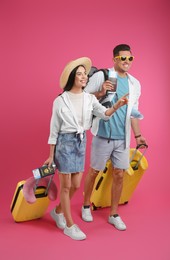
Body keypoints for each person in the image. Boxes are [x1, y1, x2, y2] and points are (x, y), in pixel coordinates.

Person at [44, 57, 128, 241]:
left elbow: (104, 114)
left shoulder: (90, 98)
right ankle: (70, 225)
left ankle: (58, 212)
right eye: (80, 74)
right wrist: (51, 155)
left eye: (85, 74)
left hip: (80, 142)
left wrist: (117, 106)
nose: (84, 77)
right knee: (66, 187)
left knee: (75, 185)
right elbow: (54, 129)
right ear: (72, 77)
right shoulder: (60, 101)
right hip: (65, 143)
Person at [81, 44, 147, 231]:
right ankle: (86, 205)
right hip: (103, 135)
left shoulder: (135, 84)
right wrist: (100, 92)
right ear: (115, 59)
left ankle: (114, 214)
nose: (126, 62)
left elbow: (133, 112)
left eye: (130, 58)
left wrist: (139, 135)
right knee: (94, 171)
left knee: (119, 174)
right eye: (122, 58)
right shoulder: (102, 76)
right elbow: (83, 97)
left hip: (122, 138)